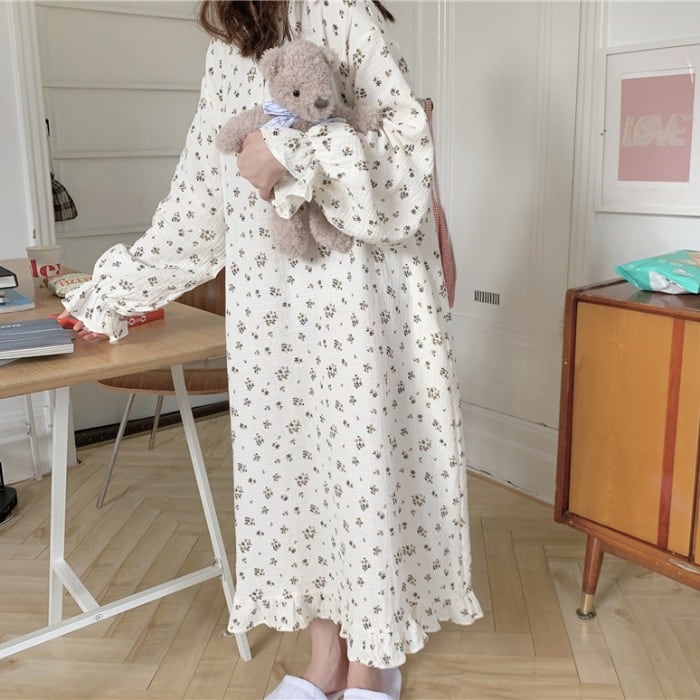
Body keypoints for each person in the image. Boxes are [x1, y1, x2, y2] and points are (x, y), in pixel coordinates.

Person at [59, 2, 483, 698]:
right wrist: (113, 294)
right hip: (273, 315)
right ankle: (325, 661)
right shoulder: (230, 46)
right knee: (298, 479)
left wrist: (292, 153)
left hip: (358, 303)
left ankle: (373, 663)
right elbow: (199, 203)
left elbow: (407, 157)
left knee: (361, 476)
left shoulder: (341, 11)